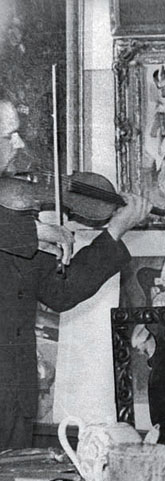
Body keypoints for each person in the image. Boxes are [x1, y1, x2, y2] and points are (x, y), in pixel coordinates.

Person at [0, 94, 151, 450]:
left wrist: (114, 232)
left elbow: (60, 291)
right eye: (8, 135)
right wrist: (37, 231)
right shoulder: (20, 224)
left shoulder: (14, 206)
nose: (19, 144)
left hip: (13, 397)